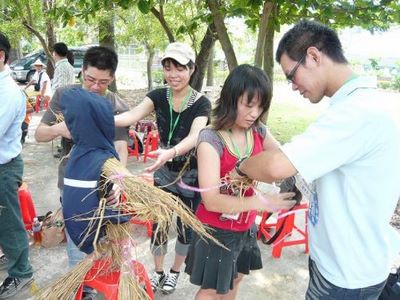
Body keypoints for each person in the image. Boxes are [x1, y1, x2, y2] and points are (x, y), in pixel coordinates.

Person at [237, 20, 400, 299]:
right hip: (337, 261)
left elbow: (276, 166)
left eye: (291, 76)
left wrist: (240, 165)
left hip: (346, 275)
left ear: (313, 56)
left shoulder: (356, 113)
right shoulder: (358, 105)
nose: (293, 86)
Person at [184, 64, 296, 300]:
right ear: (231, 98)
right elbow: (212, 200)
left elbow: (284, 159)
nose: (254, 113)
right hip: (216, 230)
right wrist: (262, 202)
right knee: (211, 290)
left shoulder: (258, 131)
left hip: (244, 228)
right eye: (248, 104)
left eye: (260, 105)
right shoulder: (210, 139)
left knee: (236, 279)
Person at [115, 42, 211, 294]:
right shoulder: (158, 96)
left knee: (184, 227)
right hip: (163, 170)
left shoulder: (201, 103)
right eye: (168, 68)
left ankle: (175, 272)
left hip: (192, 175)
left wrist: (171, 151)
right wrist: (96, 117)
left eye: (180, 68)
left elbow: (196, 135)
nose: (173, 75)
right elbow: (130, 116)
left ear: (191, 69)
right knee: (159, 223)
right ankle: (158, 271)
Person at [35, 46, 129, 300]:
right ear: (81, 72)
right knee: (79, 250)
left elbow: (120, 148)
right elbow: (39, 134)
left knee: (109, 249)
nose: (95, 86)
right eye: (90, 80)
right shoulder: (65, 96)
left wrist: (119, 181)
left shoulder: (116, 105)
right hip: (73, 185)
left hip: (106, 190)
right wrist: (60, 129)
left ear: (112, 78)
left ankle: (105, 289)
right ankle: (82, 291)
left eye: (103, 82)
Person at [0, 31, 34, 299]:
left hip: (4, 167)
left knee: (9, 222)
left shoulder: (9, 92)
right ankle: (8, 254)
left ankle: (21, 272)